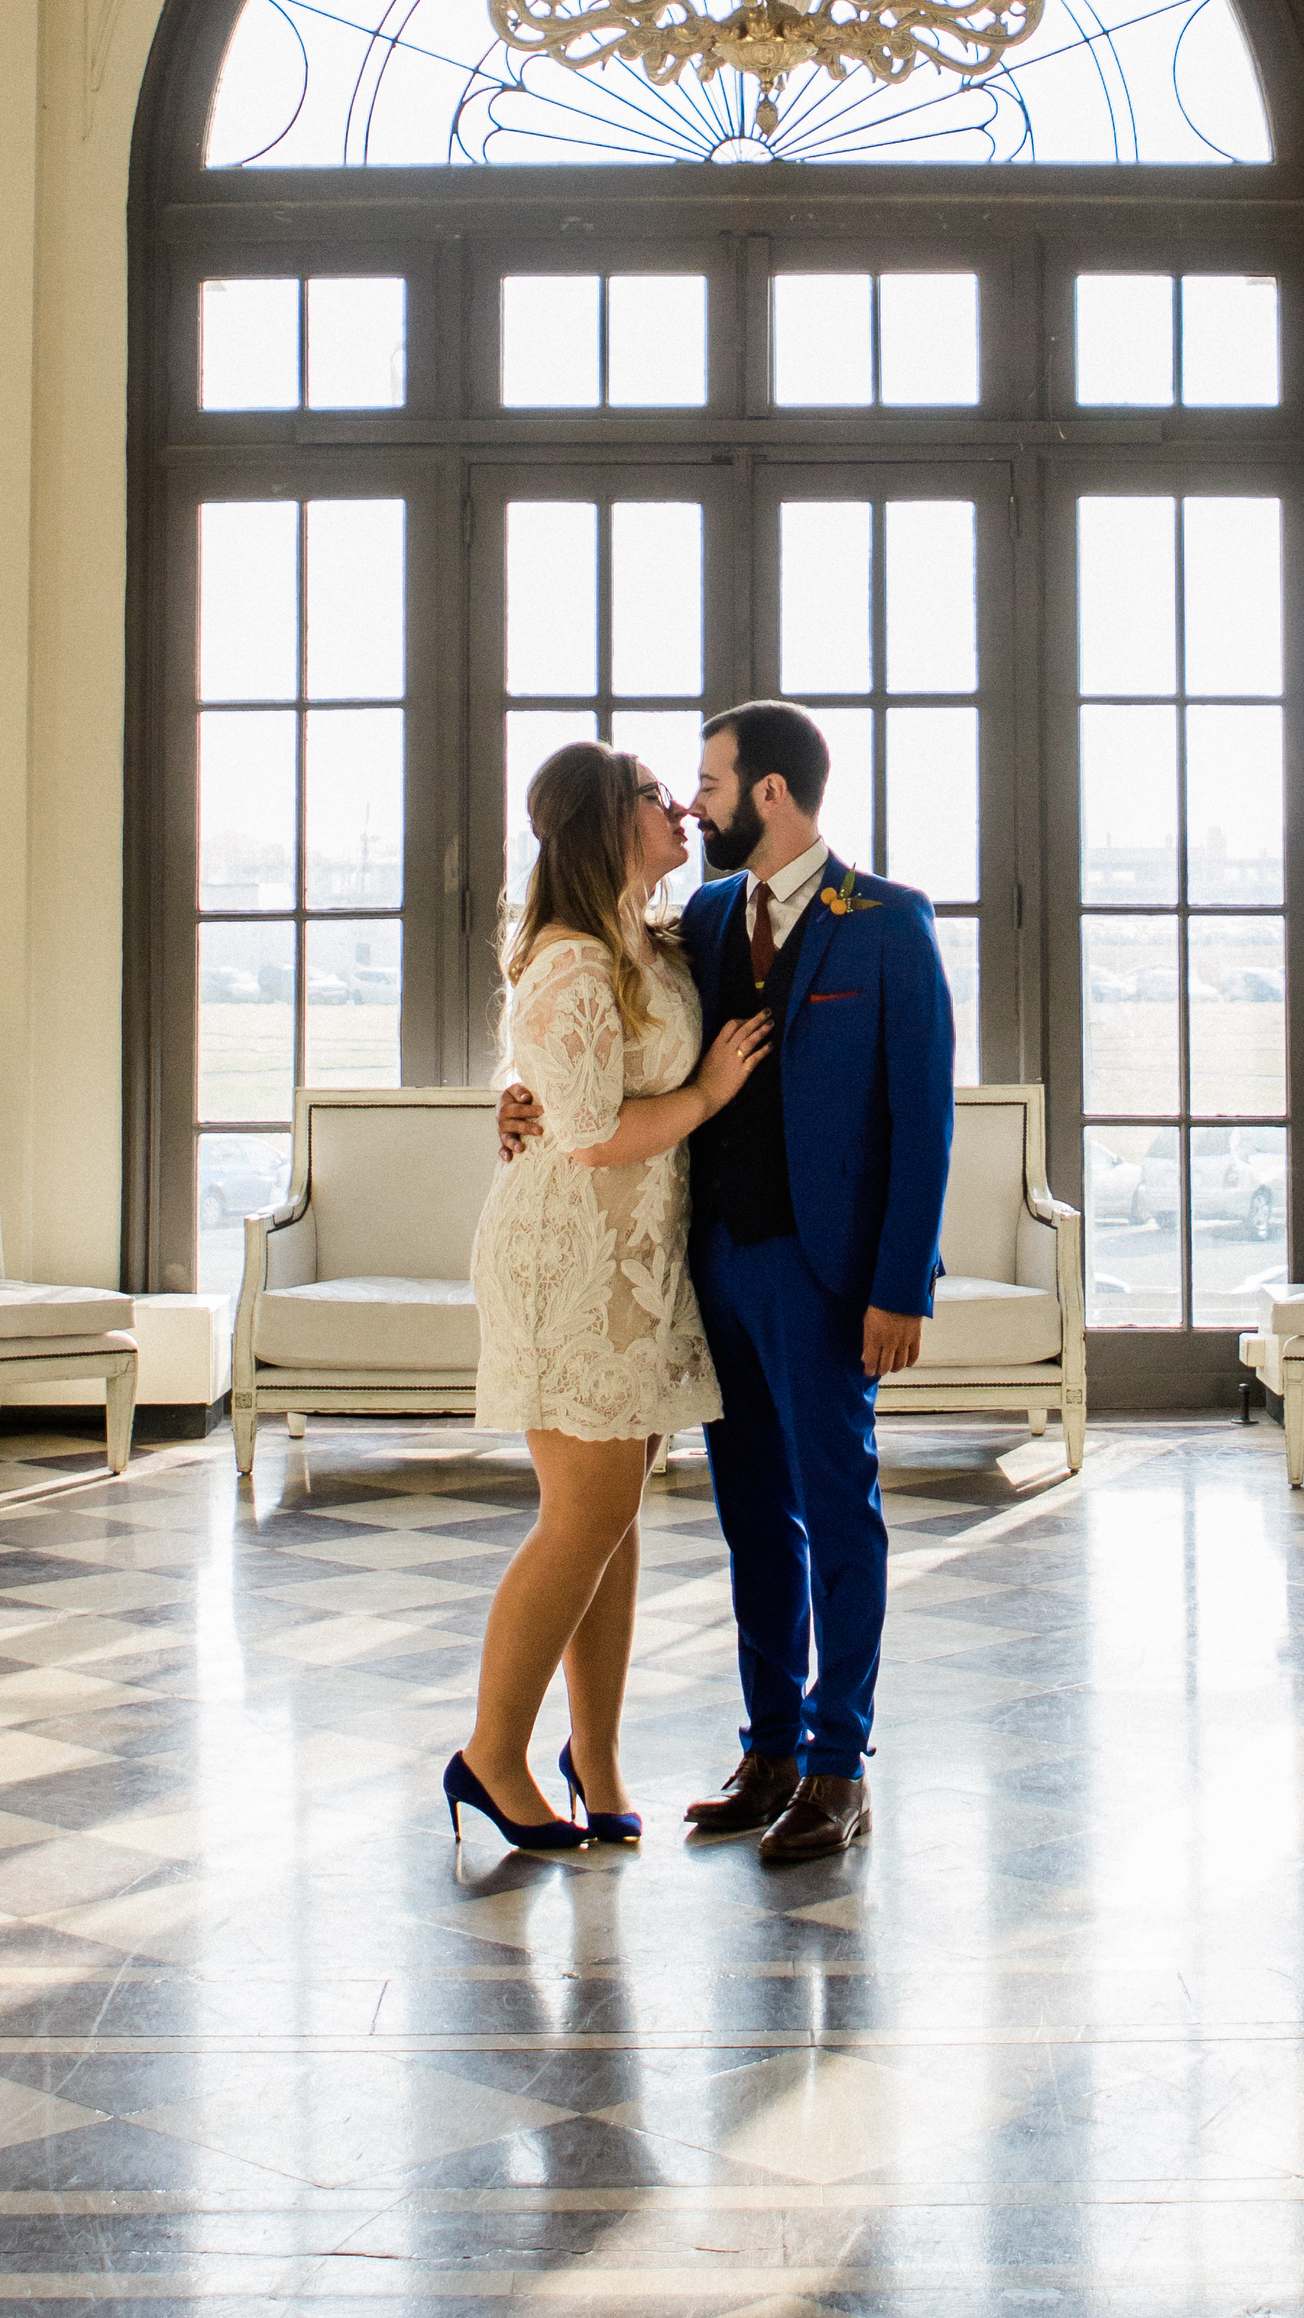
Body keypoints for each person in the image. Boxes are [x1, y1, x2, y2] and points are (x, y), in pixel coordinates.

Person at [503, 701, 956, 1865]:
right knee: (752, 1516)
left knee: (838, 1513)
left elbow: (925, 1123)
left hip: (828, 1278)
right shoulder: (695, 920)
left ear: (768, 793)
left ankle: (837, 1763)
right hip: (709, 1271)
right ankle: (765, 1749)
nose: (690, 805)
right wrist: (525, 1102)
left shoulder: (890, 925)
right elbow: (589, 1030)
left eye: (706, 783)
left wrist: (899, 1287)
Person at [446, 739, 770, 1859]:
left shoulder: (647, 934)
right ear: (602, 821)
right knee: (581, 1517)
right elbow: (586, 1133)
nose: (677, 805)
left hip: (635, 1258)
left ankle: (597, 1753)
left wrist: (517, 1091)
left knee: (613, 1523)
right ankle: (492, 1755)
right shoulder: (575, 955)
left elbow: (559, 1076)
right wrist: (711, 1090)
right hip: (568, 1263)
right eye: (650, 795)